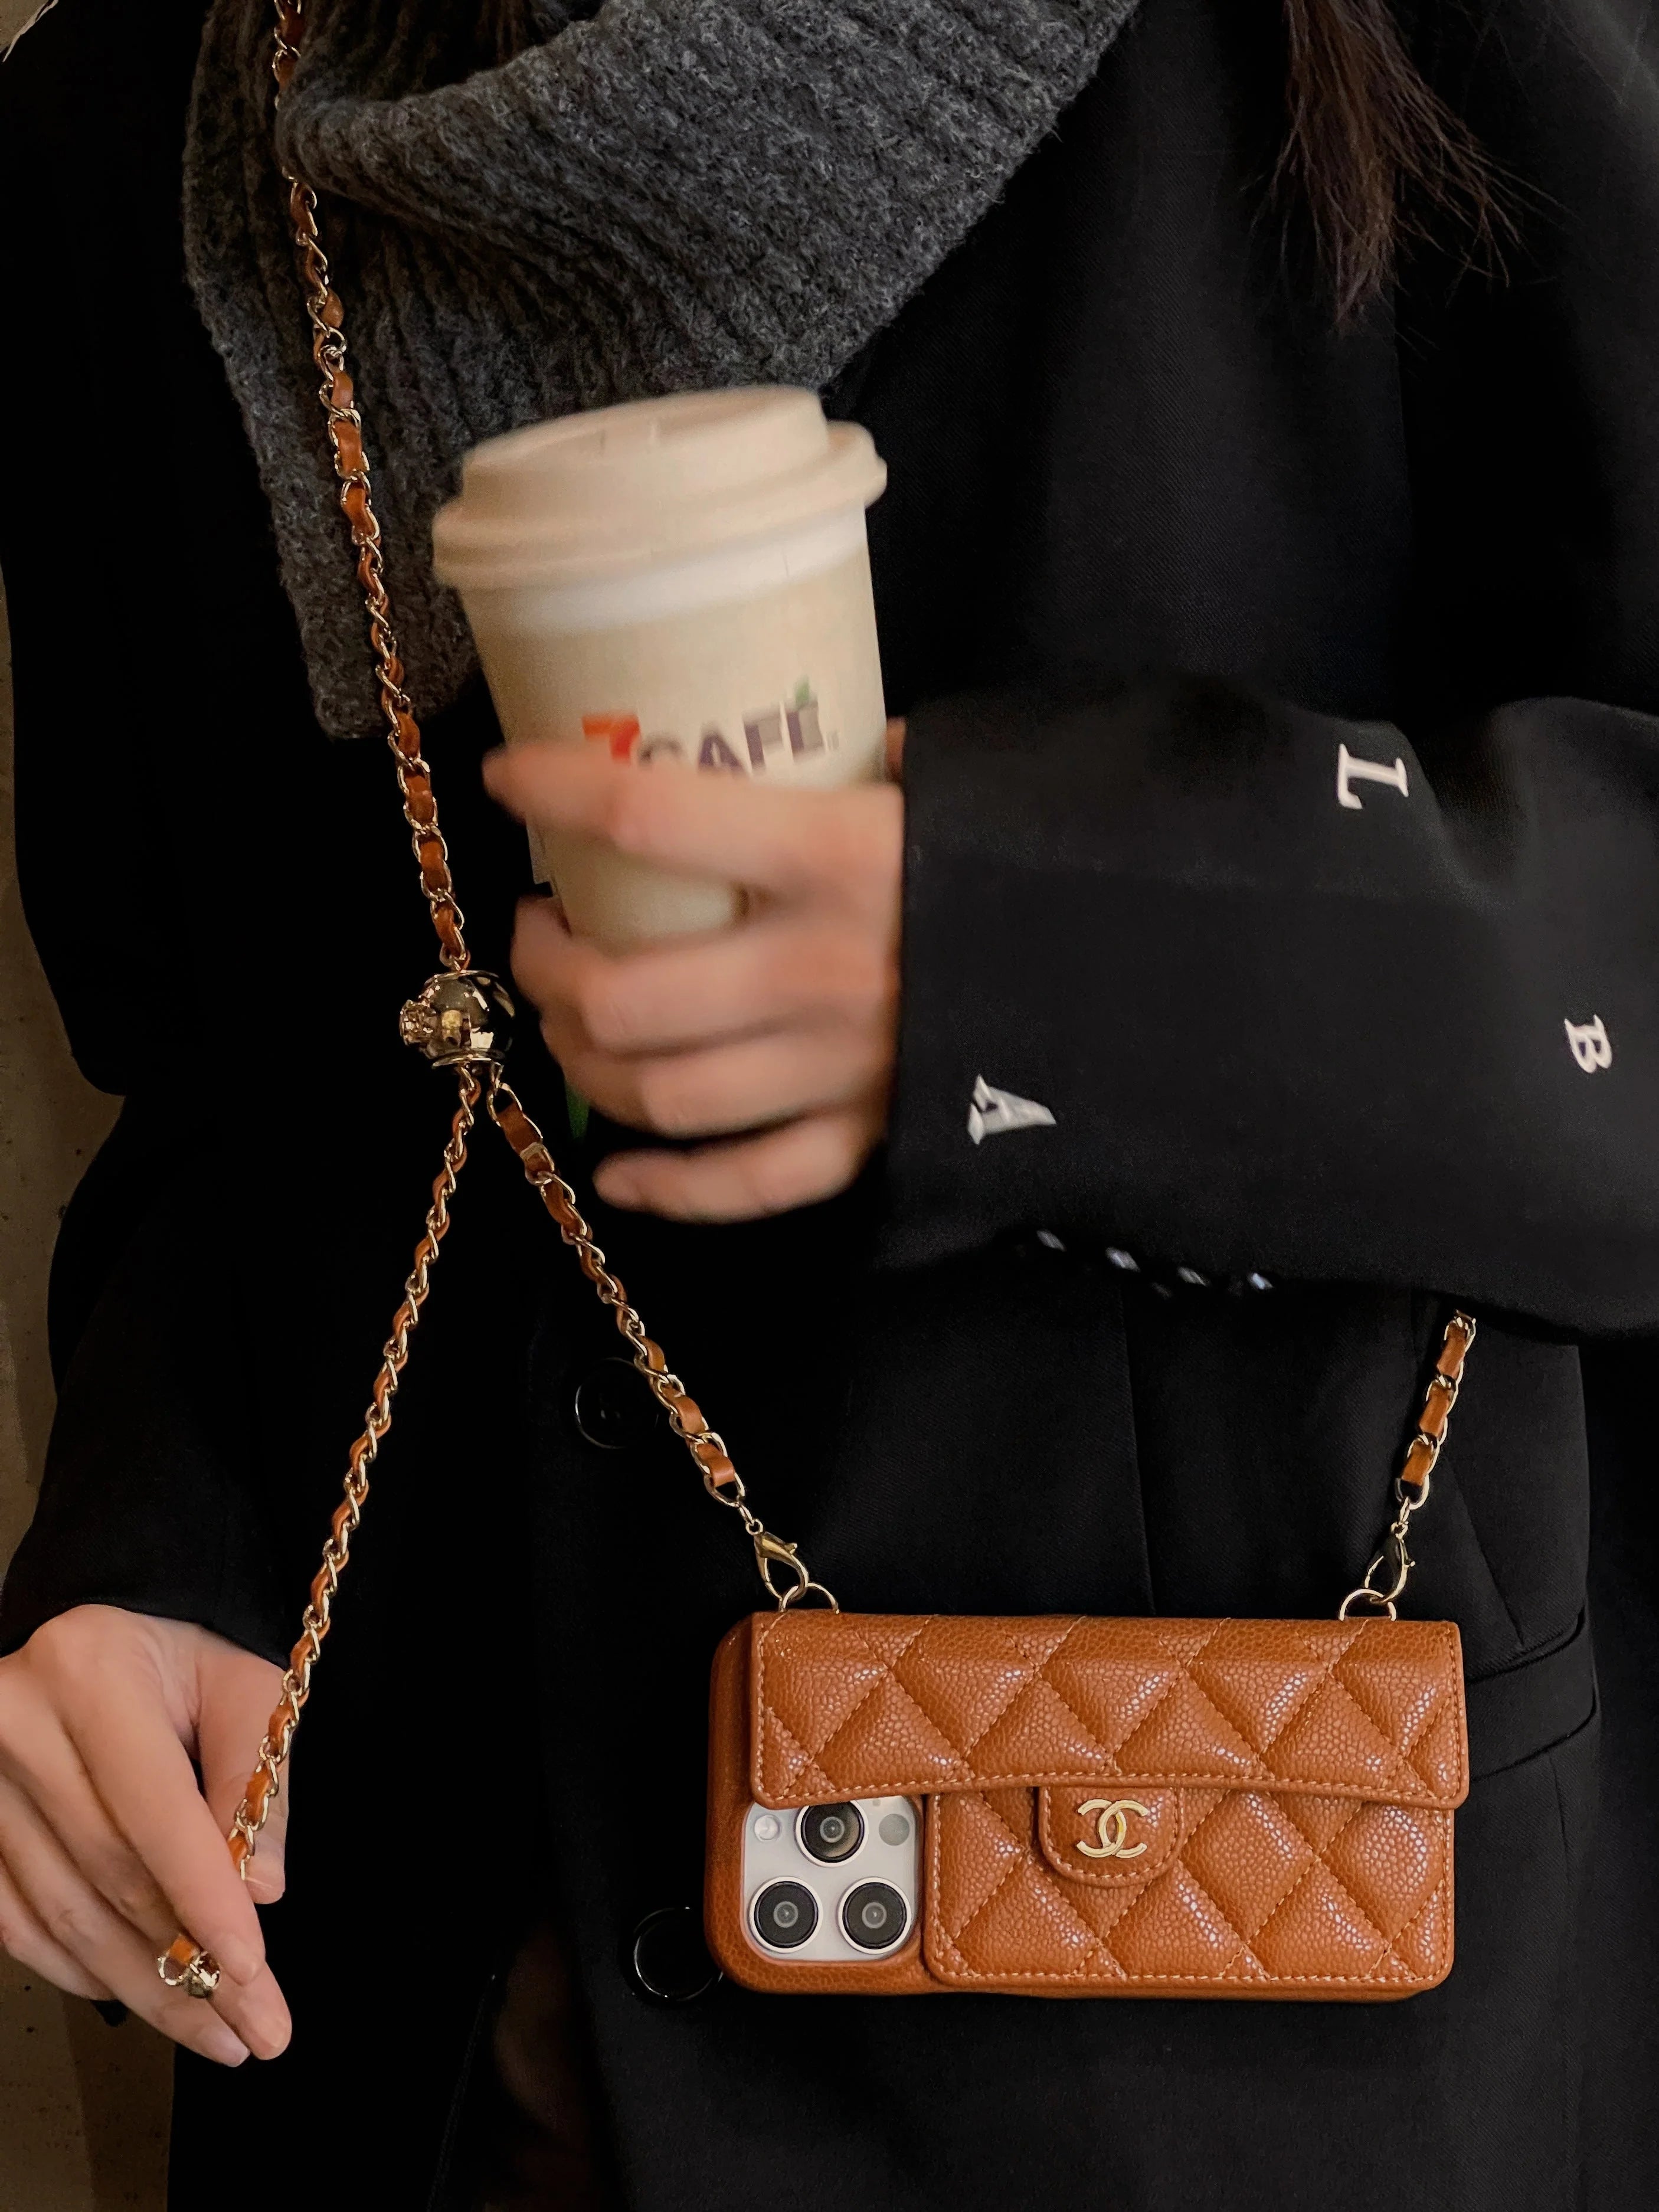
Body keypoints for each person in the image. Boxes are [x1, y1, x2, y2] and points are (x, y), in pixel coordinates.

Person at [0, 0, 1655, 2206]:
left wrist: (1036, 951)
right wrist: (148, 1561)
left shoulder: (1413, 47)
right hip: (411, 2028)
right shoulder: (136, 127)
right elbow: (228, 1080)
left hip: (1220, 2005)